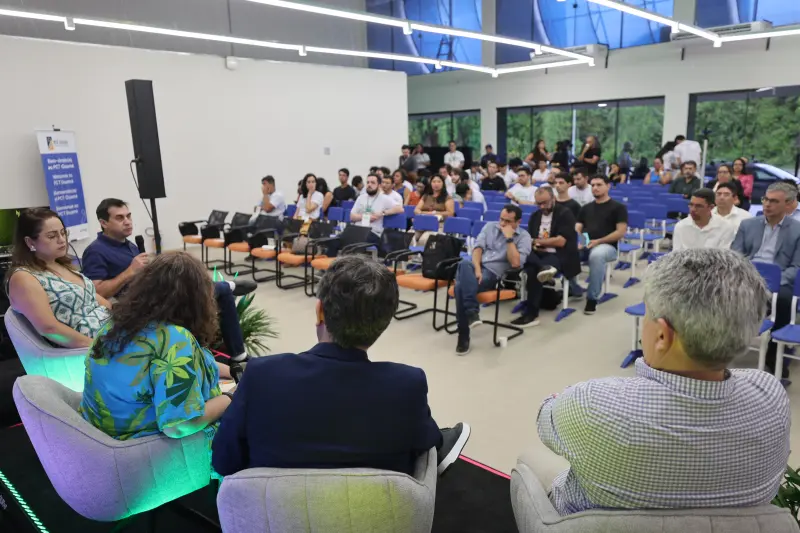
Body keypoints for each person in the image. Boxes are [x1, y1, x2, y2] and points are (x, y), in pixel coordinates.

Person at [535, 248, 788, 516]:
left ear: (662, 336)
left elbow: (545, 418)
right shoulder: (771, 397)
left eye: (647, 313)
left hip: (580, 523)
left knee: (532, 463)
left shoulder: (592, 403)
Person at [212, 255, 471, 477]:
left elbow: (224, 462)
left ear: (319, 311)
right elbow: (429, 448)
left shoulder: (261, 375)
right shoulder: (407, 385)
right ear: (385, 322)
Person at [80, 252, 234, 445]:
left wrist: (231, 370)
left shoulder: (116, 326)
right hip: (151, 449)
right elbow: (180, 426)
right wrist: (232, 397)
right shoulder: (174, 338)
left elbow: (164, 365)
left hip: (102, 436)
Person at [82, 199, 249, 362]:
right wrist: (129, 272)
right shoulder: (95, 251)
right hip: (138, 307)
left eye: (128, 216)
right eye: (120, 218)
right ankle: (236, 352)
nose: (127, 221)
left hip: (154, 296)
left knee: (190, 281)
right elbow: (96, 291)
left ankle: (221, 353)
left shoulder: (130, 245)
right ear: (103, 223)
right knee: (213, 291)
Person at [6, 208, 110, 348]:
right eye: (51, 236)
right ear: (30, 242)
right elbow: (49, 329)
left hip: (111, 332)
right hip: (89, 348)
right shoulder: (23, 278)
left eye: (63, 233)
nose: (62, 240)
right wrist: (97, 347)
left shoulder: (62, 265)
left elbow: (98, 301)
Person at [732, 181, 800, 379]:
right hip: (748, 277)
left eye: (774, 201)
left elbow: (796, 267)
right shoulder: (748, 225)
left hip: (779, 282)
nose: (767, 204)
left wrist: (774, 283)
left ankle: (773, 352)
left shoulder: (797, 230)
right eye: (765, 199)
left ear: (788, 204)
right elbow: (735, 255)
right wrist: (748, 278)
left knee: (784, 300)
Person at [454, 205, 532, 355]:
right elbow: (477, 249)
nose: (502, 224)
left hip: (493, 274)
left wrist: (509, 239)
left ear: (518, 222)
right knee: (463, 263)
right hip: (476, 268)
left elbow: (516, 263)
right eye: (501, 219)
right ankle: (472, 313)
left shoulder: (524, 237)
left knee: (459, 287)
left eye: (507, 221)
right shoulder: (489, 227)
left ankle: (463, 334)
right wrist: (477, 269)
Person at [512, 188, 580, 327]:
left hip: (559, 254)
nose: (542, 206)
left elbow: (561, 242)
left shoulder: (565, 214)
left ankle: (531, 313)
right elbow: (529, 239)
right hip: (538, 253)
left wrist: (538, 242)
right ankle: (542, 267)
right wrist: (535, 243)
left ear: (553, 198)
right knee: (523, 256)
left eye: (545, 203)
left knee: (533, 271)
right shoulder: (535, 215)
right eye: (539, 203)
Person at [576, 176, 628, 315]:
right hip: (587, 244)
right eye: (593, 185)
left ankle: (592, 298)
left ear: (608, 186)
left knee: (596, 255)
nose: (595, 188)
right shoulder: (585, 208)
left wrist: (598, 241)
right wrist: (583, 241)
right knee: (567, 251)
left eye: (599, 185)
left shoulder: (618, 208)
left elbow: (620, 232)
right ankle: (574, 289)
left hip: (607, 247)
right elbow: (578, 228)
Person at [672, 189, 736, 251]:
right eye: (691, 205)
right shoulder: (681, 226)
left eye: (698, 206)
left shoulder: (726, 227)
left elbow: (723, 256)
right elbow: (676, 255)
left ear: (711, 207)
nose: (693, 209)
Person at [350, 174, 404, 246]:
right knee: (337, 240)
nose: (369, 185)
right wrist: (365, 217)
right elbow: (352, 217)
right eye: (368, 182)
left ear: (379, 185)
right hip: (357, 229)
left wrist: (383, 213)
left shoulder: (384, 198)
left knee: (353, 241)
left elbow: (400, 209)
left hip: (373, 232)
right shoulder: (361, 197)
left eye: (372, 183)